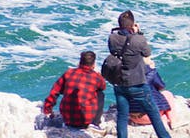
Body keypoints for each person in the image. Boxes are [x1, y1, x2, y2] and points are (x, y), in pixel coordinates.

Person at [107, 10, 171, 138]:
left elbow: (115, 48)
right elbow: (147, 53)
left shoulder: (112, 38)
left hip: (119, 83)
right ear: (132, 25)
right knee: (153, 113)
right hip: (137, 84)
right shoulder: (139, 39)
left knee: (122, 116)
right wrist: (138, 33)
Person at [41, 50, 106, 131]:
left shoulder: (69, 73)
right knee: (100, 93)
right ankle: (95, 123)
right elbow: (103, 87)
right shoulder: (96, 77)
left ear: (79, 62)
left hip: (67, 118)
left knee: (67, 86)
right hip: (85, 120)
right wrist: (99, 76)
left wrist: (47, 110)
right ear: (93, 64)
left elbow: (54, 92)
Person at [130, 56, 173, 128]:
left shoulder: (126, 72)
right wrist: (153, 69)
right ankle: (171, 120)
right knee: (167, 94)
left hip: (133, 117)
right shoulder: (150, 71)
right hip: (149, 117)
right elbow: (161, 86)